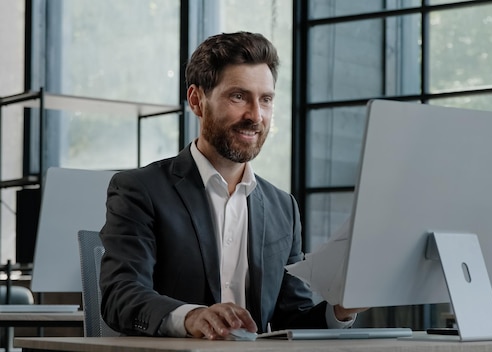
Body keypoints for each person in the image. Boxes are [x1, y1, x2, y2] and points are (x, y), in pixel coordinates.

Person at [99, 31, 365, 339]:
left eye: (265, 100)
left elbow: (291, 321)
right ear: (197, 101)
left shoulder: (283, 208)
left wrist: (340, 310)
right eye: (238, 96)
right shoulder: (140, 189)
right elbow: (121, 296)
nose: (255, 115)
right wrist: (192, 317)